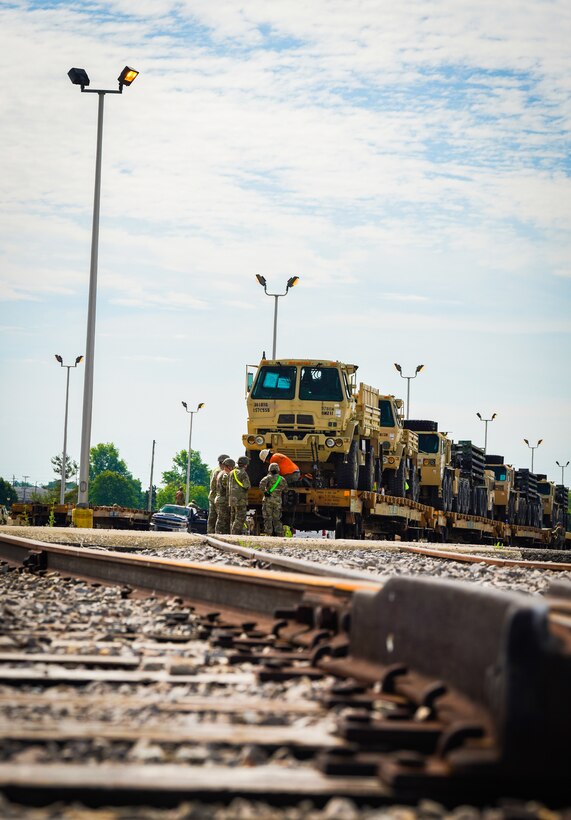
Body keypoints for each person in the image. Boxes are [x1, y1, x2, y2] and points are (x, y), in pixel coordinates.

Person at [259, 463, 287, 536]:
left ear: (270, 470)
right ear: (278, 470)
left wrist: (266, 492)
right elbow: (286, 489)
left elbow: (261, 485)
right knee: (277, 519)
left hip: (268, 501)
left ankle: (269, 533)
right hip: (277, 501)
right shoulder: (282, 479)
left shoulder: (267, 478)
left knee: (268, 518)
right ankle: (280, 533)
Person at [228, 456, 251, 535]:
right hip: (240, 499)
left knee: (233, 517)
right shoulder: (243, 473)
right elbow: (247, 485)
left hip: (232, 498)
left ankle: (232, 533)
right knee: (240, 517)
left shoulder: (232, 472)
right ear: (245, 464)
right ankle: (235, 534)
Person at [208, 454, 230, 534]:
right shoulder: (222, 472)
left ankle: (210, 533)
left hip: (212, 496)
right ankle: (218, 534)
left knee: (212, 518)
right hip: (219, 496)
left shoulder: (214, 470)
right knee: (221, 518)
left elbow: (212, 485)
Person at [214, 457, 235, 534]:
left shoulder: (220, 473)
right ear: (229, 466)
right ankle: (219, 534)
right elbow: (226, 486)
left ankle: (220, 534)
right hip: (223, 500)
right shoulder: (225, 474)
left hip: (220, 499)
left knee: (221, 518)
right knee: (223, 519)